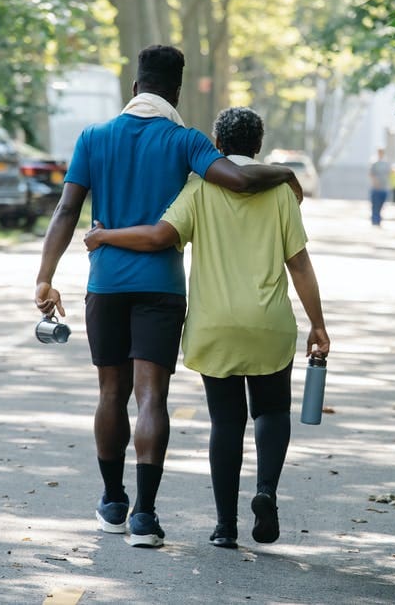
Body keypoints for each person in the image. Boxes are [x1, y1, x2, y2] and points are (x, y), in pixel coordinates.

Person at [34, 46, 299, 549]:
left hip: (106, 284)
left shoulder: (93, 137)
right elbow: (240, 180)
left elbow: (66, 210)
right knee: (151, 396)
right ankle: (145, 516)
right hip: (161, 288)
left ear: (134, 88)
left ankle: (112, 501)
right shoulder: (187, 141)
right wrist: (283, 172)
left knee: (111, 393)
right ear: (176, 92)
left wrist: (45, 277)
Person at [83, 106, 330, 549]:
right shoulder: (279, 192)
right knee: (271, 411)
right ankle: (266, 491)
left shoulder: (199, 188)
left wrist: (104, 236)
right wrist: (318, 324)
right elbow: (299, 263)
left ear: (217, 144)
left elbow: (159, 236)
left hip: (214, 325)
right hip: (268, 322)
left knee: (226, 421)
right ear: (258, 145)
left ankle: (225, 527)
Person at [368, 148, 390, 225]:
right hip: (375, 188)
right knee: (375, 205)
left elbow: (389, 174)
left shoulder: (386, 164)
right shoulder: (374, 163)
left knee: (381, 205)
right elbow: (371, 174)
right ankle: (375, 221)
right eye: (379, 152)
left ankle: (378, 219)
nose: (381, 154)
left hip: (384, 188)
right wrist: (375, 182)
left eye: (382, 152)